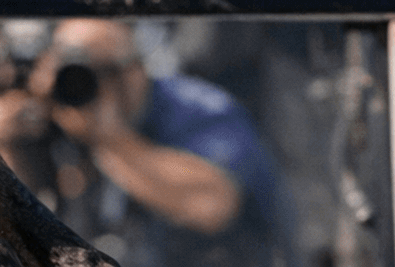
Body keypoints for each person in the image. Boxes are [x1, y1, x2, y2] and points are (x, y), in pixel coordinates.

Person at [26, 19, 294, 267]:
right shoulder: (55, 114)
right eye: (67, 71)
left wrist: (110, 139)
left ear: (135, 68)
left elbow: (211, 204)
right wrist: (9, 142)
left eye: (98, 71)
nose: (79, 86)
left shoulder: (199, 109)